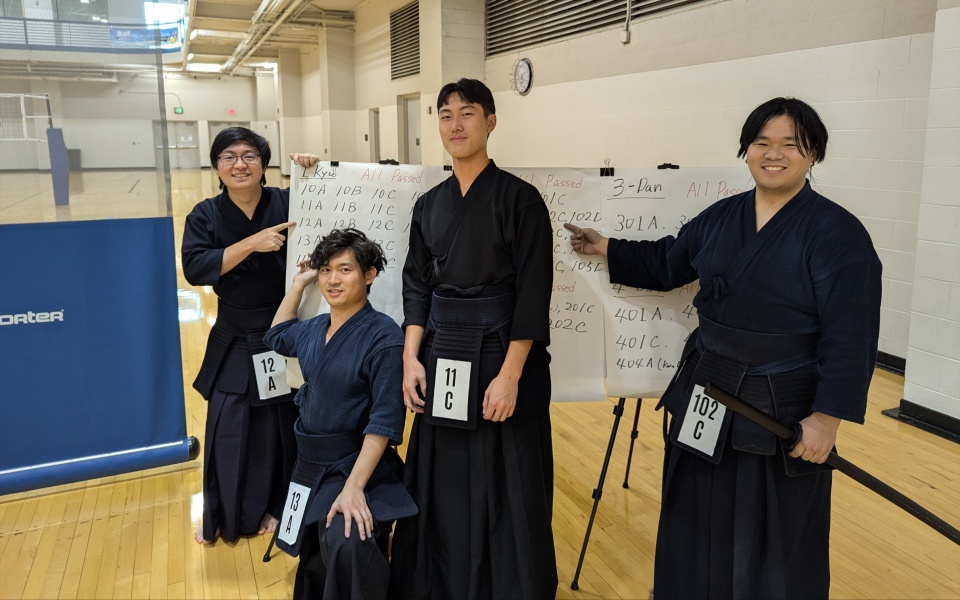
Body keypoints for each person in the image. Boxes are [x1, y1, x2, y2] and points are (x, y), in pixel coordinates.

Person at [565, 97, 882, 599]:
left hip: (780, 404)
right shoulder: (721, 217)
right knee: (694, 511)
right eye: (761, 143)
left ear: (814, 154)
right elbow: (669, 260)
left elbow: (853, 337)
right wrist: (607, 246)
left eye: (790, 145)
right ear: (747, 150)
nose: (773, 154)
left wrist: (826, 421)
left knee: (771, 531)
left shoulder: (838, 236)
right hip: (707, 389)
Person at [389, 78, 558, 599]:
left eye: (467, 113)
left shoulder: (521, 201)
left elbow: (533, 296)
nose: (455, 125)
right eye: (445, 115)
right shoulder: (429, 205)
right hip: (443, 356)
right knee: (444, 475)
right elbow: (416, 285)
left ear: (491, 122)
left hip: (500, 353)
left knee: (508, 475)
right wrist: (410, 358)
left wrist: (511, 377)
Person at [181, 126, 320, 545]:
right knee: (229, 424)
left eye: (249, 156)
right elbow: (196, 268)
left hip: (282, 329)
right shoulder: (205, 214)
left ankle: (278, 508)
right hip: (234, 332)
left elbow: (328, 219)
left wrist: (315, 175)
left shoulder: (288, 200)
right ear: (217, 167)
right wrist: (252, 243)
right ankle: (227, 511)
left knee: (279, 426)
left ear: (264, 163)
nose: (239, 164)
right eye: (228, 157)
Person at [263, 228, 414, 599]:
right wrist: (299, 284)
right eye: (326, 269)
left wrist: (354, 488)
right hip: (311, 465)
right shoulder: (314, 328)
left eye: (345, 269)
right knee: (313, 549)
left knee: (347, 540)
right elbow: (277, 334)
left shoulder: (384, 337)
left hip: (355, 464)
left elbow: (385, 421)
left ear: (369, 275)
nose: (332, 280)